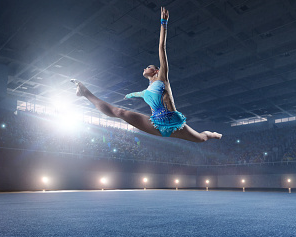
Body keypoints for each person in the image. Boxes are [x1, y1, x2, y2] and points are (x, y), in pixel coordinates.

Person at [72, 7, 222, 142]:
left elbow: (162, 48)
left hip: (175, 123)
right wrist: (129, 95)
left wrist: (164, 23)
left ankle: (213, 134)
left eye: (148, 66)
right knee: (120, 112)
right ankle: (84, 92)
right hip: (156, 125)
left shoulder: (162, 78)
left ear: (156, 70)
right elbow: (137, 94)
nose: (144, 68)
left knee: (202, 138)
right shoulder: (146, 91)